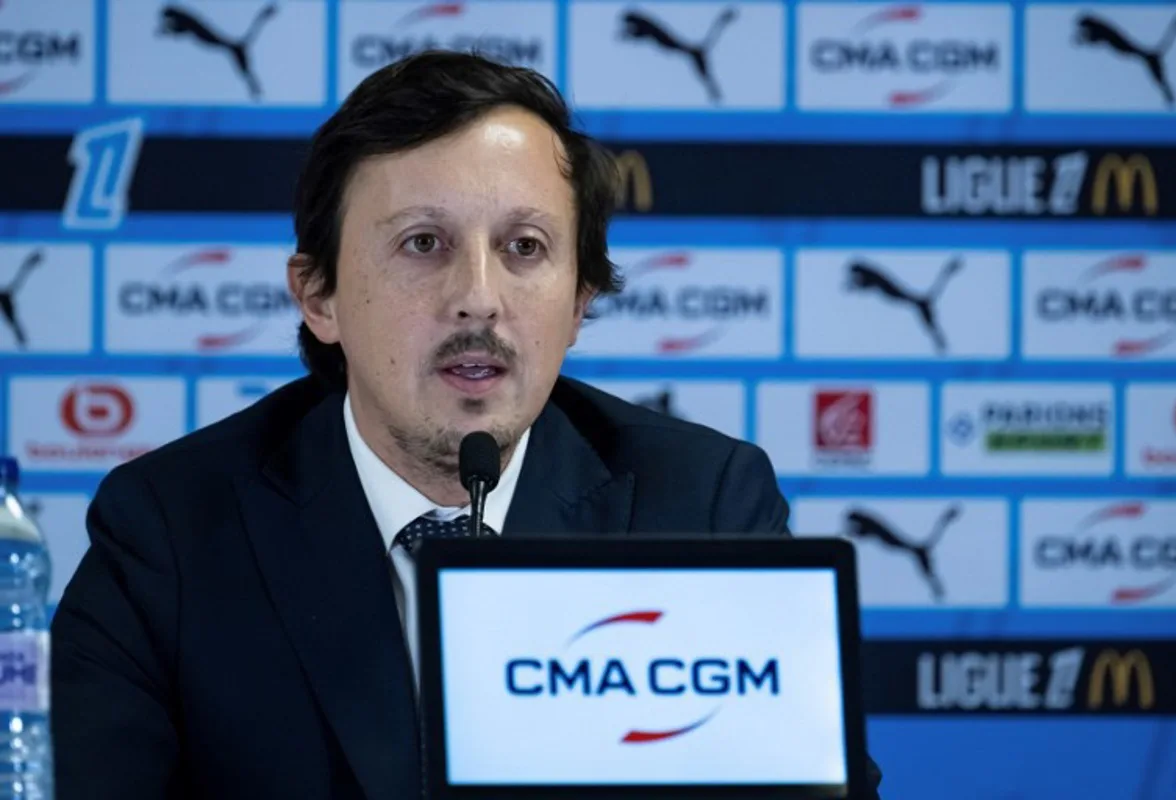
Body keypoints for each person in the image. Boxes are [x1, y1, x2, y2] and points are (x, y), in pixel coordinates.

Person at [50, 51, 883, 799]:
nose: (478, 297)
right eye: (423, 243)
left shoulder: (702, 506)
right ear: (319, 296)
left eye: (524, 248)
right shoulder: (171, 530)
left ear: (581, 301)